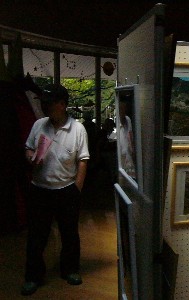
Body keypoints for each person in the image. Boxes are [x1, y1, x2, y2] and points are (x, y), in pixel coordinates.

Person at [21, 84, 90, 296]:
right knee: (37, 236)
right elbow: (28, 148)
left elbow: (83, 160)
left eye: (48, 103)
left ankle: (69, 270)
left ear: (62, 104)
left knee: (70, 234)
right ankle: (33, 276)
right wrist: (31, 157)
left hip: (66, 190)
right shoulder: (39, 124)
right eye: (43, 103)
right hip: (40, 190)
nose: (44, 107)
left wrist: (76, 188)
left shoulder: (78, 129)